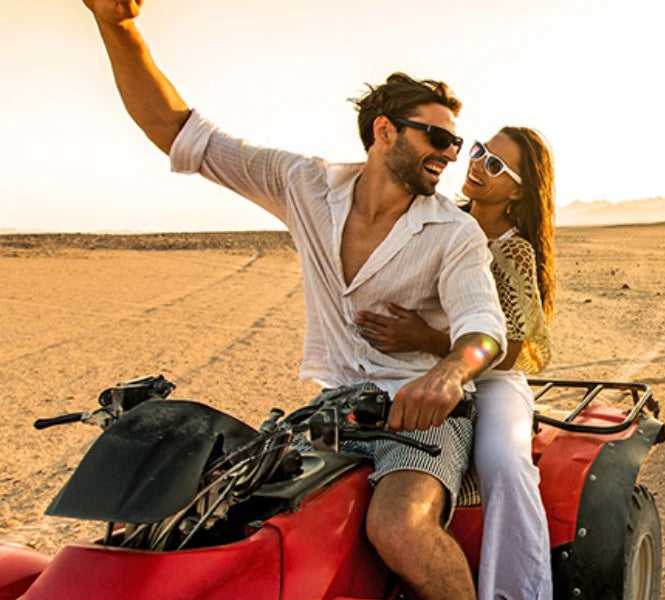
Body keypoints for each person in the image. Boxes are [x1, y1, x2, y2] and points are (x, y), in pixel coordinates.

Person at [82, 2, 504, 599]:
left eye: (456, 142)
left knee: (400, 528)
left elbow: (484, 326)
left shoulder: (453, 232)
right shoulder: (305, 185)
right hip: (331, 413)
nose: (449, 153)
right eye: (437, 137)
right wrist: (116, 27)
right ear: (385, 130)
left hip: (424, 418)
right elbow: (179, 131)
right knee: (212, 518)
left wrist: (448, 373)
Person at [356, 129, 556, 600]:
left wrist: (425, 337)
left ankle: (520, 592)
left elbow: (514, 347)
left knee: (504, 463)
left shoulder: (514, 250)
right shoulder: (438, 221)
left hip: (493, 379)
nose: (477, 164)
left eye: (494, 165)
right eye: (480, 152)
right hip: (421, 369)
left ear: (519, 190)